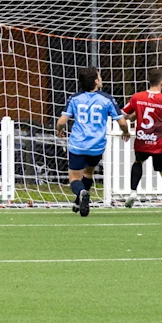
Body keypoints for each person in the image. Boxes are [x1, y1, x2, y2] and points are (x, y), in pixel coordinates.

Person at [55, 67, 130, 217]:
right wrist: (126, 132)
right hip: (97, 146)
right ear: (96, 81)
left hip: (78, 144)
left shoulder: (75, 98)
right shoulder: (107, 99)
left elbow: (62, 120)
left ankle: (81, 193)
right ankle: (80, 200)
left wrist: (59, 130)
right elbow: (122, 122)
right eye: (99, 77)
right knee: (89, 172)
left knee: (74, 178)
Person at [122, 69, 162, 215]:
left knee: (138, 162)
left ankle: (132, 192)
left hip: (142, 140)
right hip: (159, 144)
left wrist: (132, 118)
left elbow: (123, 114)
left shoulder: (137, 97)